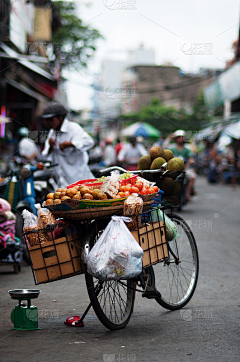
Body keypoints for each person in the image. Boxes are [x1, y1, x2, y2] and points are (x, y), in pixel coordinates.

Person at [41, 101, 94, 188]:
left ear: (61, 118)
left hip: (78, 179)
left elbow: (89, 142)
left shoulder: (73, 128)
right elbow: (45, 156)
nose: (49, 123)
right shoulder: (52, 132)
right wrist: (50, 147)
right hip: (61, 181)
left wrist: (71, 144)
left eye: (51, 119)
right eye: (47, 120)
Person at [164, 130, 197, 202]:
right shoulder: (172, 148)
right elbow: (164, 148)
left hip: (185, 168)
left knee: (192, 176)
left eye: (182, 137)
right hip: (173, 169)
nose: (180, 139)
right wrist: (169, 138)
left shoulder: (187, 148)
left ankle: (187, 195)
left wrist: (190, 163)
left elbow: (191, 157)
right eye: (178, 137)